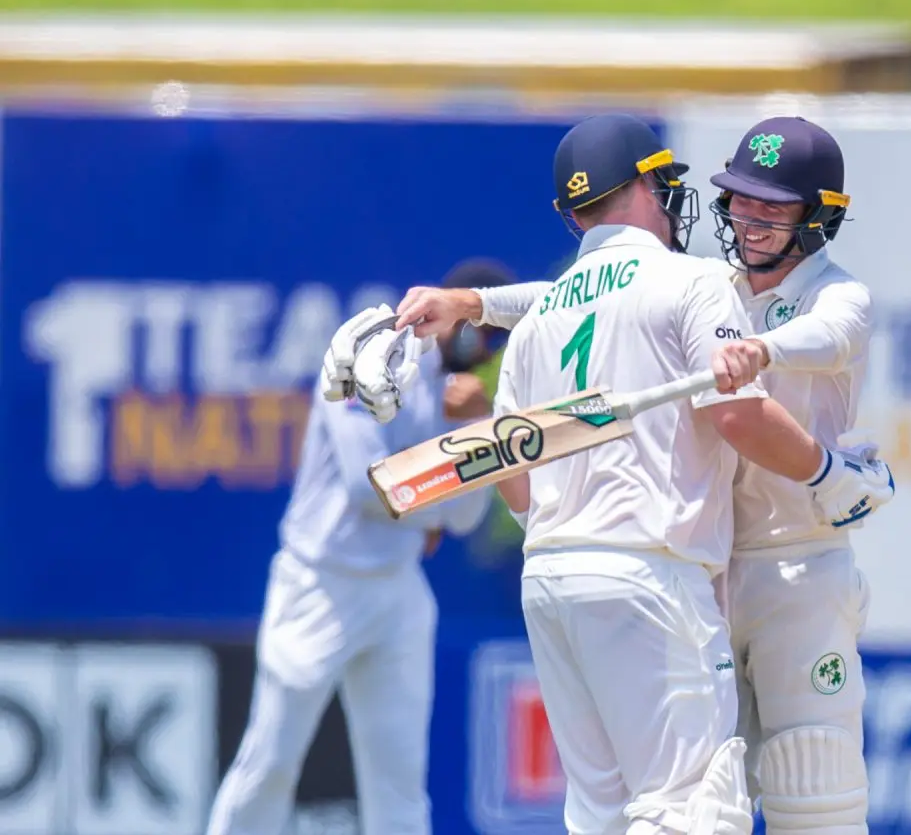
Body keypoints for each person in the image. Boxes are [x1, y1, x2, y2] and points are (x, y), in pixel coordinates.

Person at [324, 113, 880, 835]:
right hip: (670, 571)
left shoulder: (551, 317)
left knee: (715, 802)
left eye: (771, 208)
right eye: (741, 202)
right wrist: (829, 473)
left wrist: (471, 305)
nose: (748, 222)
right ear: (648, 187)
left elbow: (830, 332)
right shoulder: (699, 282)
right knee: (693, 811)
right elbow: (732, 412)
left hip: (606, 573)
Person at [206, 318, 492, 835]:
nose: (482, 345)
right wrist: (435, 511)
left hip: (398, 589)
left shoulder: (463, 395)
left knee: (399, 782)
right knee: (270, 762)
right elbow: (369, 488)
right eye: (477, 328)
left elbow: (466, 518)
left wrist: (479, 426)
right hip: (319, 584)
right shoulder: (367, 357)